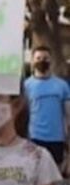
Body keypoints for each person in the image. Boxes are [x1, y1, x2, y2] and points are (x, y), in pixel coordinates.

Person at [23, 45, 70, 173]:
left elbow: (68, 115)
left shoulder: (62, 85)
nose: (42, 61)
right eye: (38, 58)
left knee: (55, 179)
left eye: (45, 58)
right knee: (33, 176)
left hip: (57, 139)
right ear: (33, 61)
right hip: (34, 138)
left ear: (51, 61)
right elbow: (23, 114)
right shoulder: (26, 86)